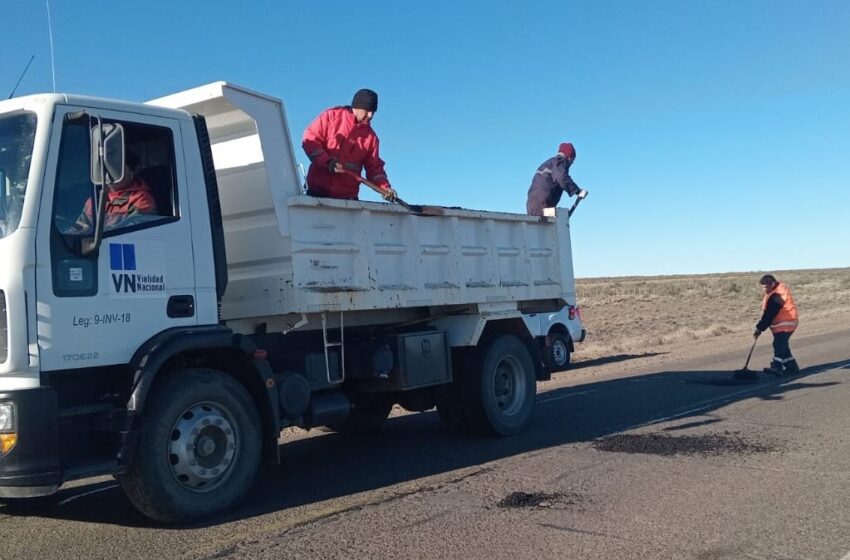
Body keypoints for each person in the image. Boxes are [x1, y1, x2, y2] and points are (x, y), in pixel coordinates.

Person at [302, 88, 397, 201]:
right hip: (316, 193)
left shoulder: (371, 139)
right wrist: (327, 162)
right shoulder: (331, 117)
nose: (370, 115)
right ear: (356, 107)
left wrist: (385, 188)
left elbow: (375, 169)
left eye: (373, 111)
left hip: (347, 200)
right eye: (367, 110)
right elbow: (310, 140)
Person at [73, 150, 157, 232]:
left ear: (131, 172)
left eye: (117, 167)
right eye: (107, 167)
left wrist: (92, 231)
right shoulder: (94, 200)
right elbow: (77, 228)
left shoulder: (141, 200)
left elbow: (132, 232)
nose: (110, 171)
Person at [754, 274, 800, 376]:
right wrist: (760, 326)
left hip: (786, 322)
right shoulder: (774, 291)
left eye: (765, 287)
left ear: (772, 284)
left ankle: (777, 367)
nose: (764, 289)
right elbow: (768, 313)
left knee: (778, 344)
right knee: (783, 345)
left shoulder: (778, 294)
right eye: (762, 287)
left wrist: (759, 328)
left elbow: (770, 313)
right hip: (783, 323)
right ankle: (792, 367)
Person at [526, 142, 588, 217]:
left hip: (532, 205)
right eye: (573, 160)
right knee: (561, 217)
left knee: (537, 227)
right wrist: (577, 191)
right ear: (569, 157)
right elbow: (562, 177)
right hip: (543, 204)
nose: (572, 163)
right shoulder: (560, 162)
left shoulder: (550, 163)